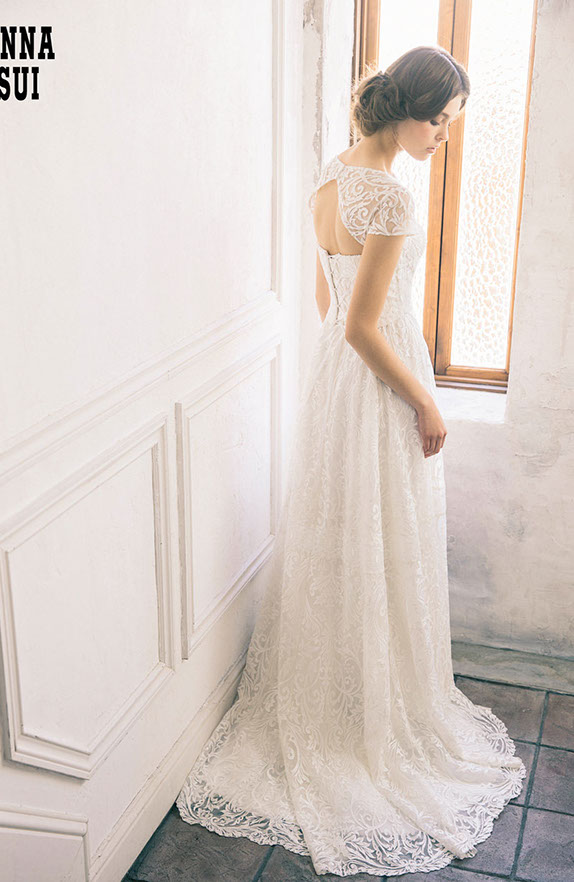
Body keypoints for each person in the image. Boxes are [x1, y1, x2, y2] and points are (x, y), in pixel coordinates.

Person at [176, 45, 526, 877]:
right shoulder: (391, 196)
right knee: (383, 533)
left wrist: (376, 360)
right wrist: (427, 401)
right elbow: (369, 327)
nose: (442, 138)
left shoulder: (329, 178)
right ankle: (372, 713)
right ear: (408, 112)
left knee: (348, 533)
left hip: (337, 382)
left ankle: (347, 691)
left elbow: (330, 307)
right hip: (378, 381)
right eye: (439, 123)